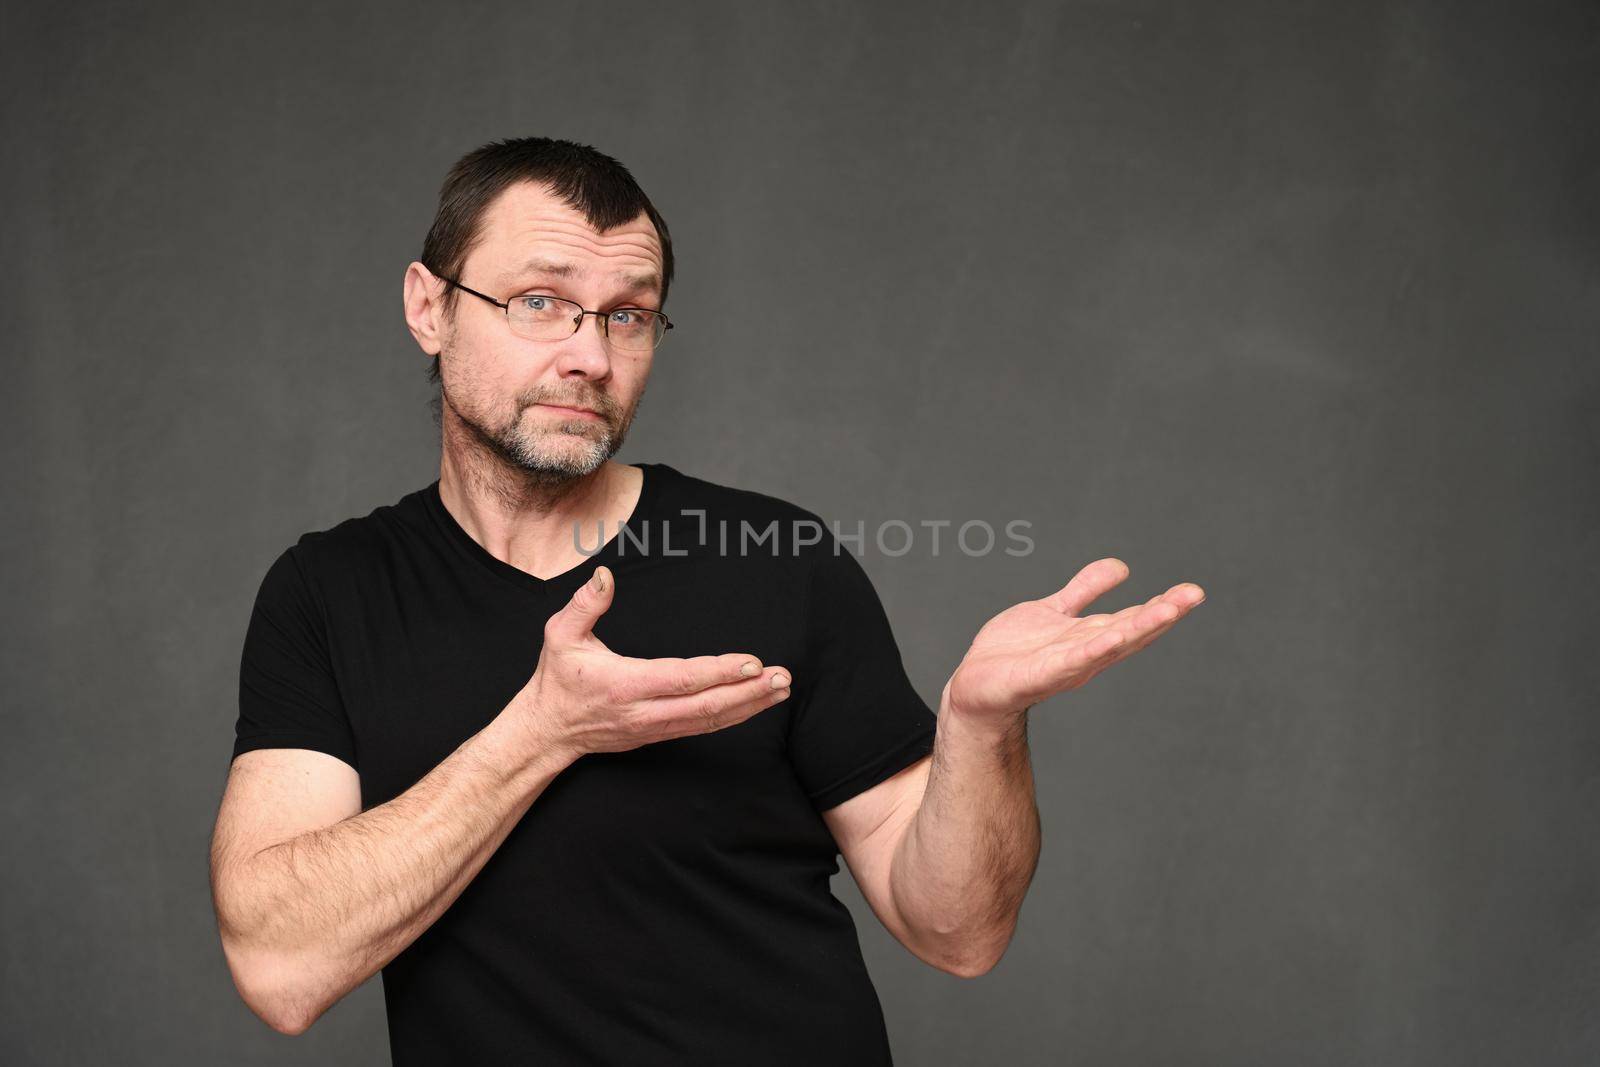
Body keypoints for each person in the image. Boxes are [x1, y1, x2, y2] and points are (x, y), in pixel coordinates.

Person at [207, 136, 1205, 1065]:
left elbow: (958, 932)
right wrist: (543, 731)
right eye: (540, 301)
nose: (589, 356)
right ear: (430, 306)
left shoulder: (771, 557)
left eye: (627, 314)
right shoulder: (331, 591)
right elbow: (279, 966)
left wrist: (982, 726)